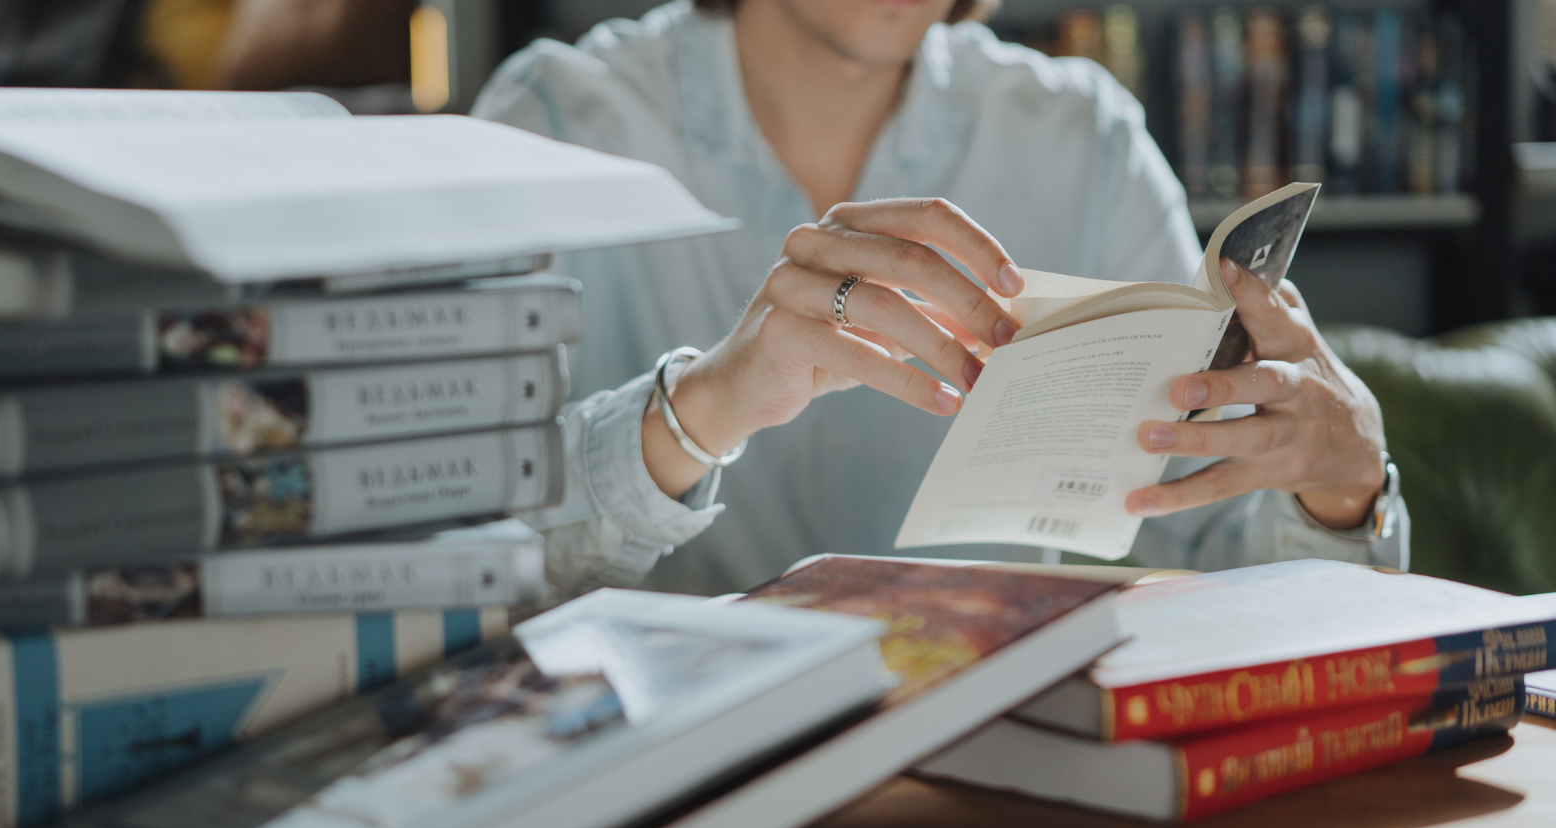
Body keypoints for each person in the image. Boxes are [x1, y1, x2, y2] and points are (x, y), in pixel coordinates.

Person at [475, 0, 1408, 598]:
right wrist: (700, 408)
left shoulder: (1086, 146)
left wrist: (1343, 495)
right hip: (651, 788)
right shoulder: (552, 126)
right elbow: (450, 558)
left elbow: (1209, 550)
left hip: (1002, 796)